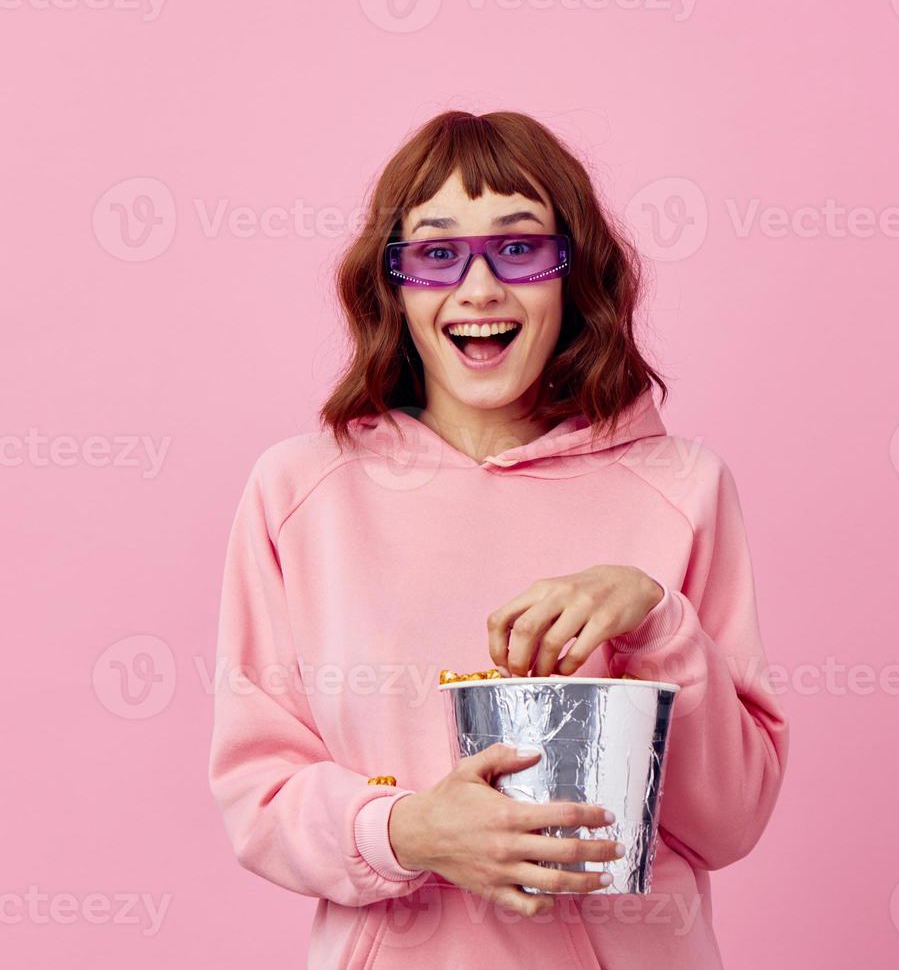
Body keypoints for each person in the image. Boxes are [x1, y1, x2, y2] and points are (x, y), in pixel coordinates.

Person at [206, 110, 789, 968]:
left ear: (573, 275)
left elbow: (731, 819)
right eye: (437, 254)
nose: (479, 289)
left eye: (519, 250)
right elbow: (258, 791)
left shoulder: (683, 488)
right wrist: (409, 830)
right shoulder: (299, 493)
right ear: (392, 288)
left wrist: (659, 623)